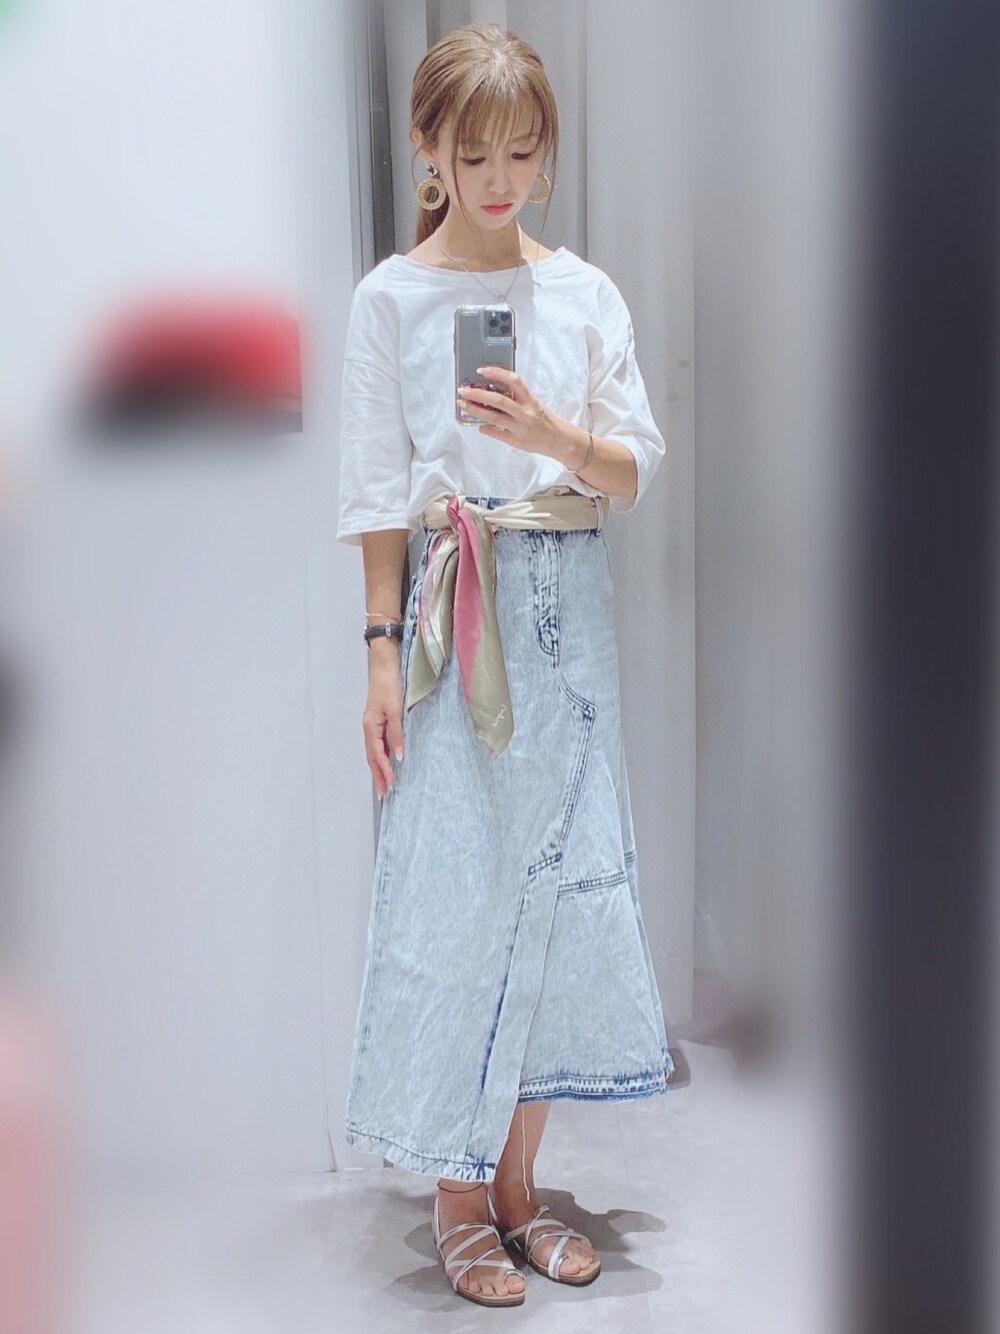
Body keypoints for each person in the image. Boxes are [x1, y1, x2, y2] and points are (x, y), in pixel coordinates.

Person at [336, 22, 674, 1309]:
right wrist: (379, 656)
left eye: (521, 153)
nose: (498, 180)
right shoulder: (389, 299)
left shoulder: (582, 293)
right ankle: (457, 1195)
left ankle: (522, 1187)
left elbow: (632, 469)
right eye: (473, 154)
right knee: (459, 896)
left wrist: (553, 433)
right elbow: (377, 493)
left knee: (558, 895)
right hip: (449, 610)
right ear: (426, 148)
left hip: (565, 609)